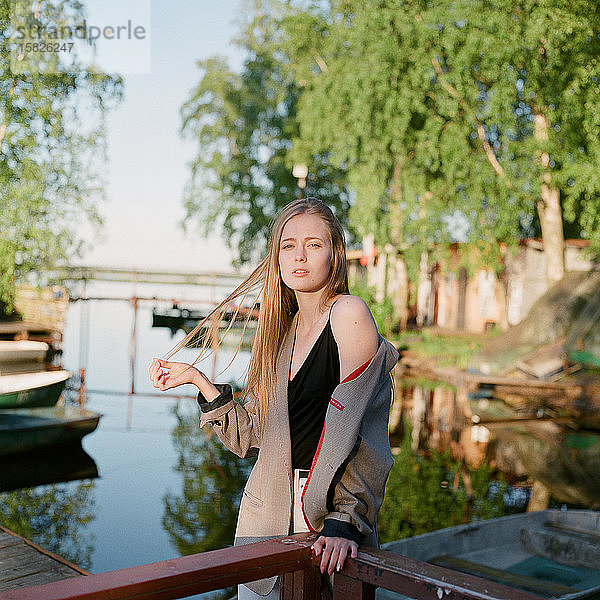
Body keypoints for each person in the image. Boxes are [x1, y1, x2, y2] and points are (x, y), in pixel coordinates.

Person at [149, 198, 398, 599]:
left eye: (314, 244)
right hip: (263, 520)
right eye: (288, 245)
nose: (299, 255)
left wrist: (345, 521)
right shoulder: (281, 334)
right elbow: (249, 440)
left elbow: (366, 432)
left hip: (325, 519)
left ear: (335, 255)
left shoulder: (349, 314)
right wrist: (199, 381)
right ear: (276, 257)